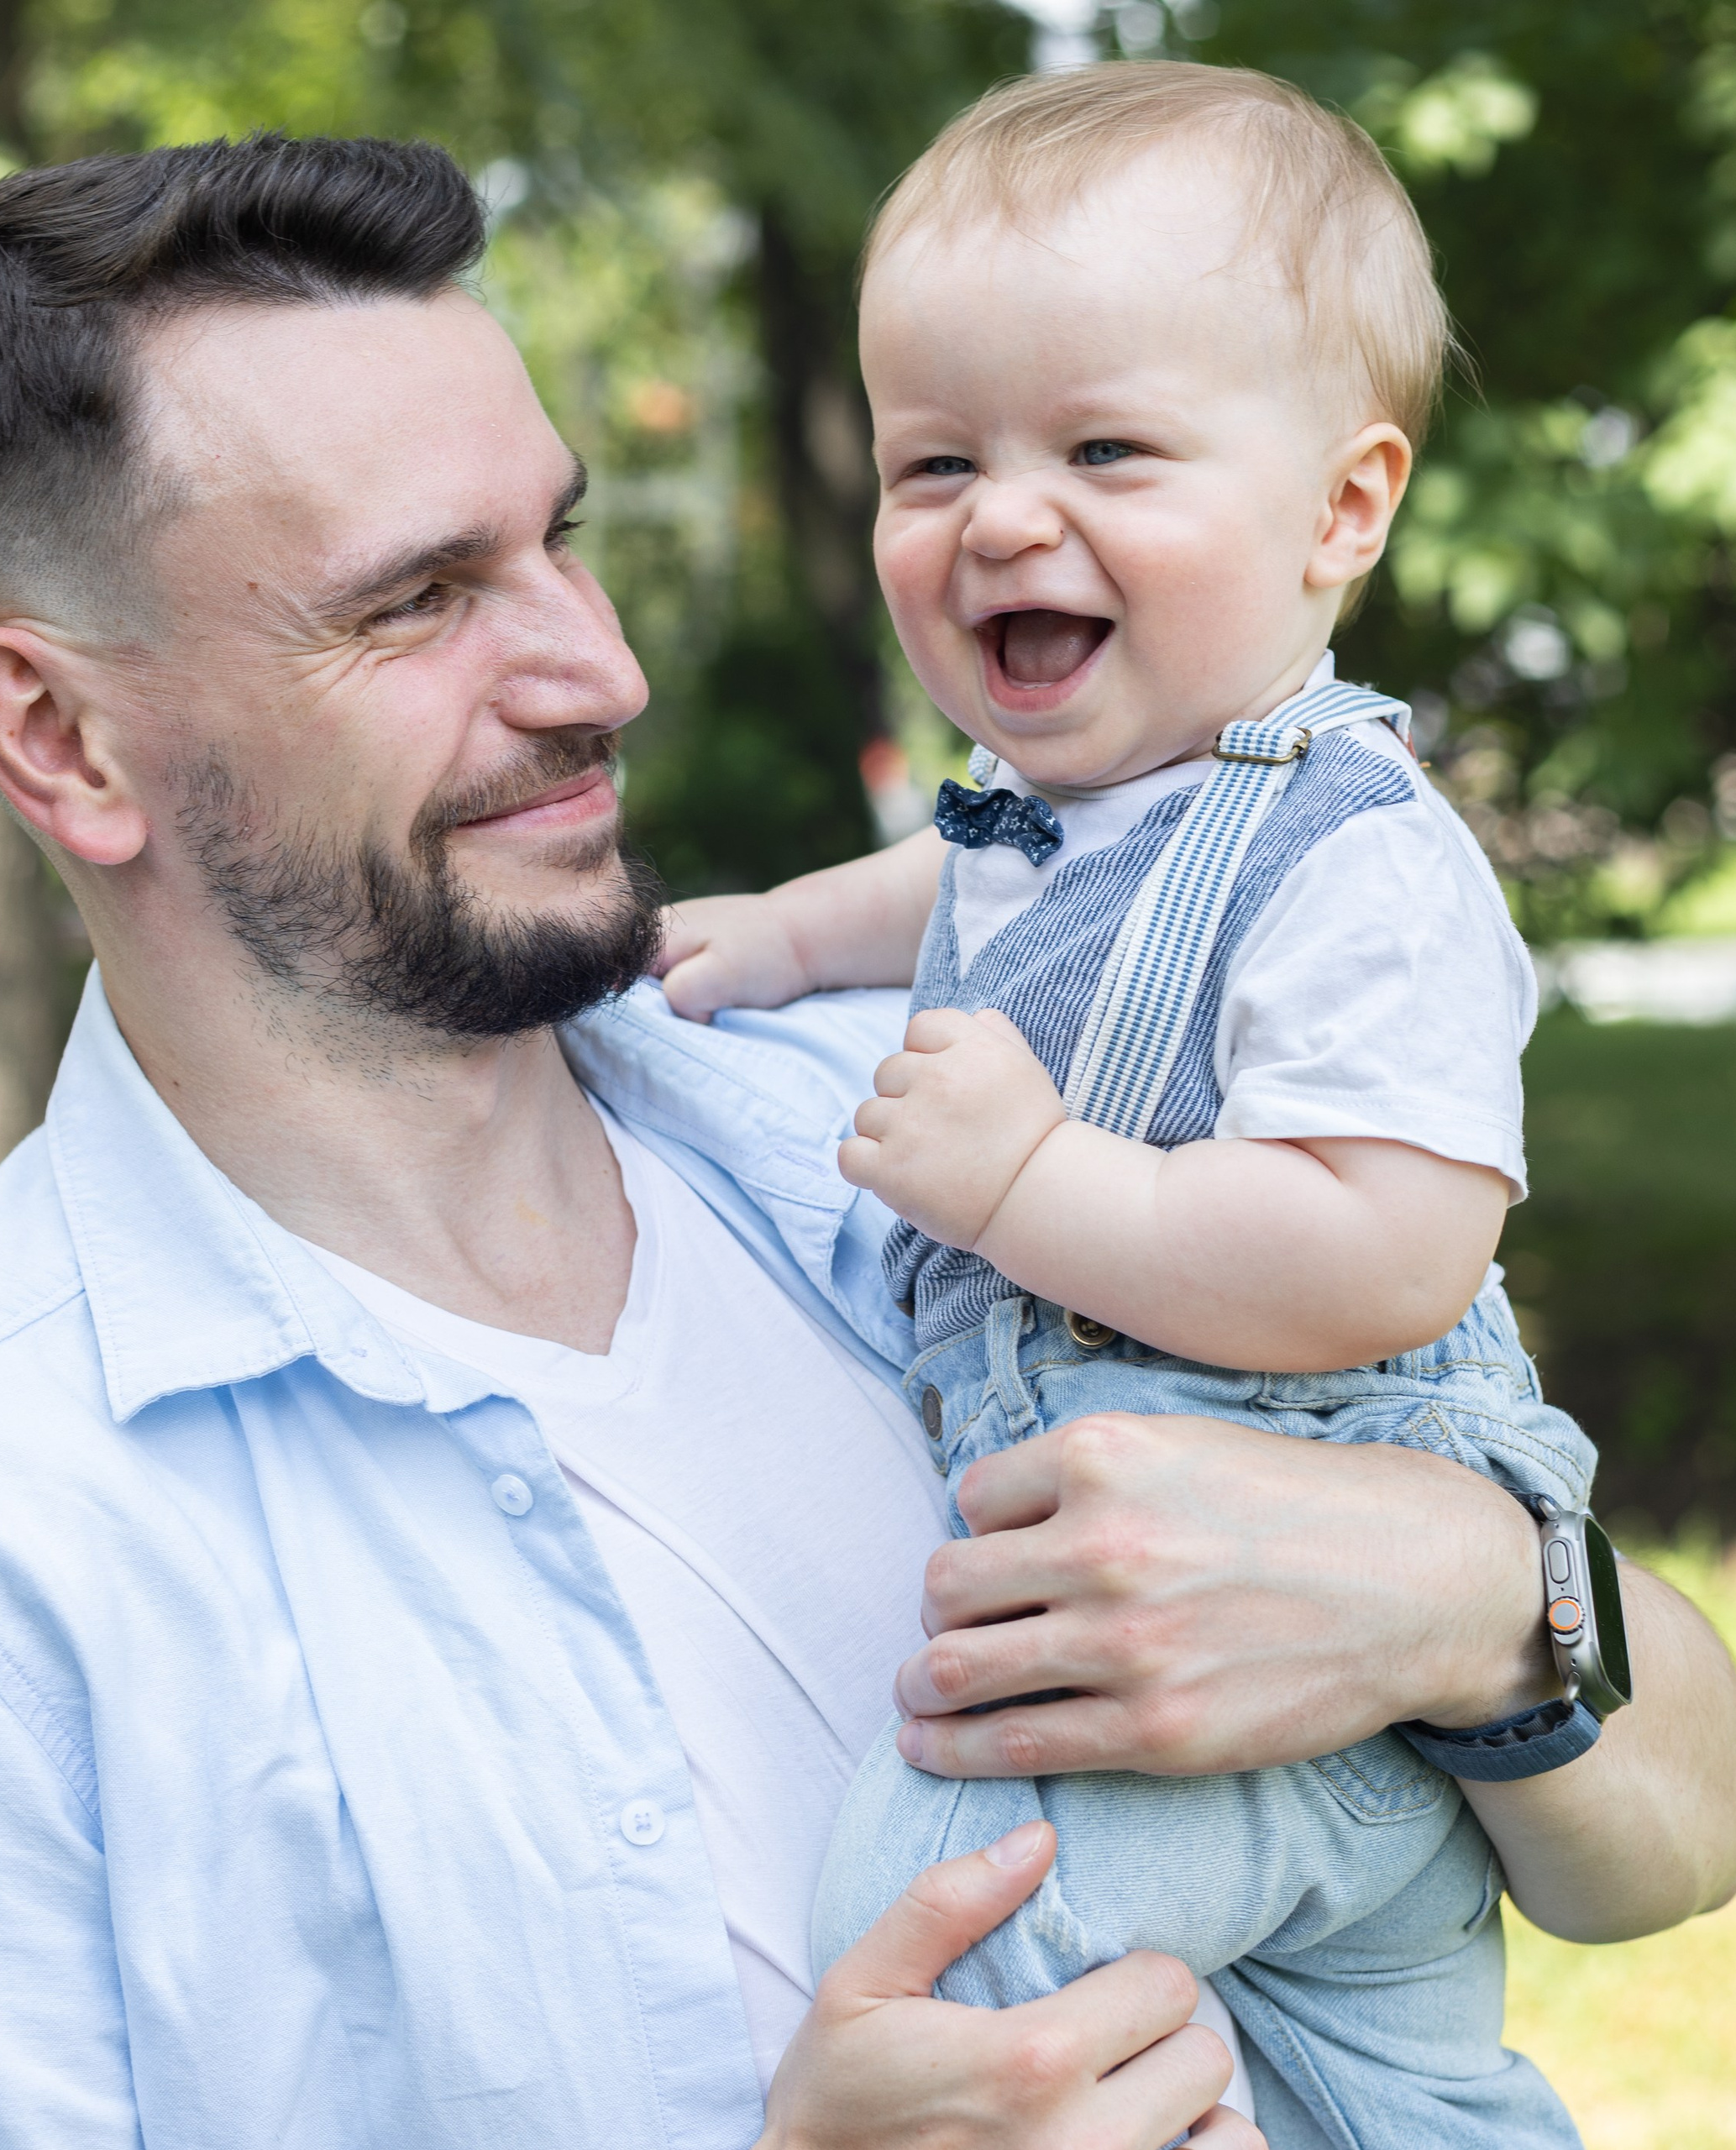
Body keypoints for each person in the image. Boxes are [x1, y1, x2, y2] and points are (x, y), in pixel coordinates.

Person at [0, 133, 1736, 2150]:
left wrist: (1477, 1602)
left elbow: (1680, 1821)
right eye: (420, 598)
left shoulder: (926, 1103)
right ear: (59, 734)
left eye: (563, 537)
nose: (597, 667)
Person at [651, 60, 1681, 2147]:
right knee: (1398, 2092)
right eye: (930, 459)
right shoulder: (1064, 814)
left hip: (1274, 1659)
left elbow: (1387, 1245)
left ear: (1341, 509)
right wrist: (770, 938)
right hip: (1255, 1694)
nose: (1000, 514)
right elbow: (949, 887)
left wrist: (1032, 1178)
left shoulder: (1354, 860)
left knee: (941, 1929)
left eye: (1103, 446)